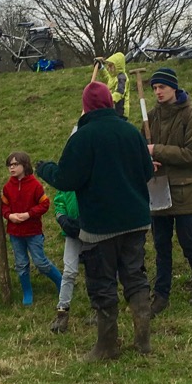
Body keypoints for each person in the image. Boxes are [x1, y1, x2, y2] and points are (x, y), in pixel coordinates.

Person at [36, 82, 156, 360]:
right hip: (136, 219)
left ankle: (107, 346)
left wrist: (46, 168)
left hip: (100, 226)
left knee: (102, 283)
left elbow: (67, 179)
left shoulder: (83, 137)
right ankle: (143, 340)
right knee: (135, 277)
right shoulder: (130, 131)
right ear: (110, 103)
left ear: (86, 106)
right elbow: (148, 171)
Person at [146, 67, 192, 314]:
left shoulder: (190, 116)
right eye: (155, 88)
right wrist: (146, 159)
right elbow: (142, 148)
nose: (158, 92)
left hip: (184, 189)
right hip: (158, 191)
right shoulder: (150, 117)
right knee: (161, 245)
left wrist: (157, 150)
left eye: (162, 87)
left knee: (187, 241)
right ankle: (161, 293)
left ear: (173, 88)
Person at [0, 151, 63, 305]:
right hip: (15, 233)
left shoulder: (35, 185)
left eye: (15, 164)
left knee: (40, 262)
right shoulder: (8, 187)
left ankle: (61, 283)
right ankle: (27, 292)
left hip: (33, 232)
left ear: (25, 165)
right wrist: (9, 216)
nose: (12, 168)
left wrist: (29, 214)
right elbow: (4, 206)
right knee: (21, 264)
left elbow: (45, 204)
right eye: (9, 165)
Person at [49, 185, 82, 333]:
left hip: (93, 229)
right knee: (69, 271)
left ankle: (100, 310)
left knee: (97, 271)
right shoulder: (68, 177)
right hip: (72, 232)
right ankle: (62, 313)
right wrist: (62, 218)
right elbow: (59, 200)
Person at [101, 52, 130, 119]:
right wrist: (101, 68)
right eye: (108, 66)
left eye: (110, 66)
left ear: (117, 66)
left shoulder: (122, 78)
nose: (108, 68)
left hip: (120, 111)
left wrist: (107, 99)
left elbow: (119, 93)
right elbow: (106, 76)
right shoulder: (113, 77)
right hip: (113, 110)